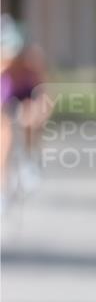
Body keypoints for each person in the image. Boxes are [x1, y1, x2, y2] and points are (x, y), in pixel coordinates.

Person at [1, 15, 50, 207]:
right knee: (5, 139)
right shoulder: (3, 68)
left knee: (32, 118)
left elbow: (44, 93)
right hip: (6, 94)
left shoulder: (33, 60)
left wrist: (40, 113)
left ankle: (30, 160)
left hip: (27, 93)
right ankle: (3, 190)